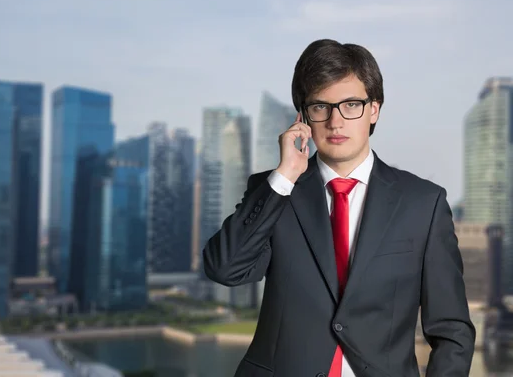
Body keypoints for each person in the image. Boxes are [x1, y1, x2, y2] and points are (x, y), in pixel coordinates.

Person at [202, 39, 475, 376]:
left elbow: (452, 331)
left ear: (374, 109)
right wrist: (285, 175)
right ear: (303, 115)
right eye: (320, 106)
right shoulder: (273, 192)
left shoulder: (423, 204)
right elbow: (225, 269)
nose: (335, 121)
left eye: (351, 105)